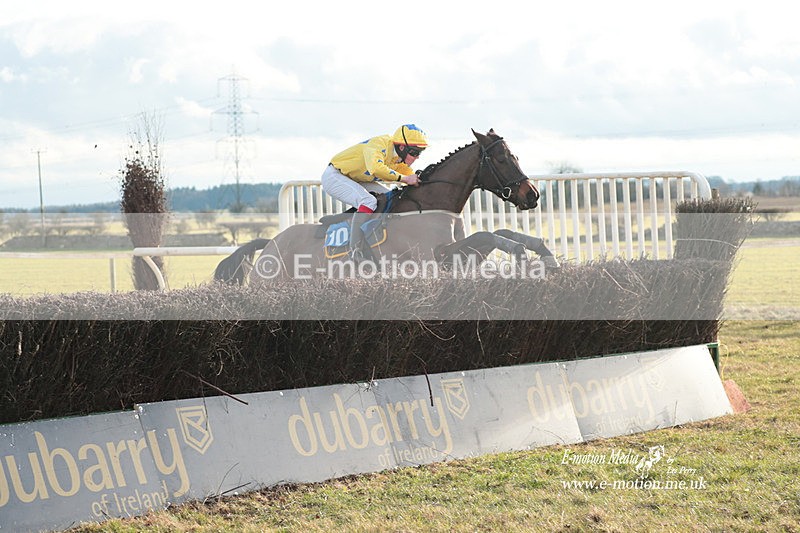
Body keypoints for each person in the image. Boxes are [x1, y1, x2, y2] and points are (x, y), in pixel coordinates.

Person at [321, 124, 428, 259]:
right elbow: (376, 169)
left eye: (420, 153)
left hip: (357, 178)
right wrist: (405, 179)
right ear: (402, 147)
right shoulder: (379, 144)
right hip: (335, 176)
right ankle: (355, 251)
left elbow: (409, 175)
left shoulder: (398, 157)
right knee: (369, 201)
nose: (417, 157)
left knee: (391, 198)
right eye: (415, 153)